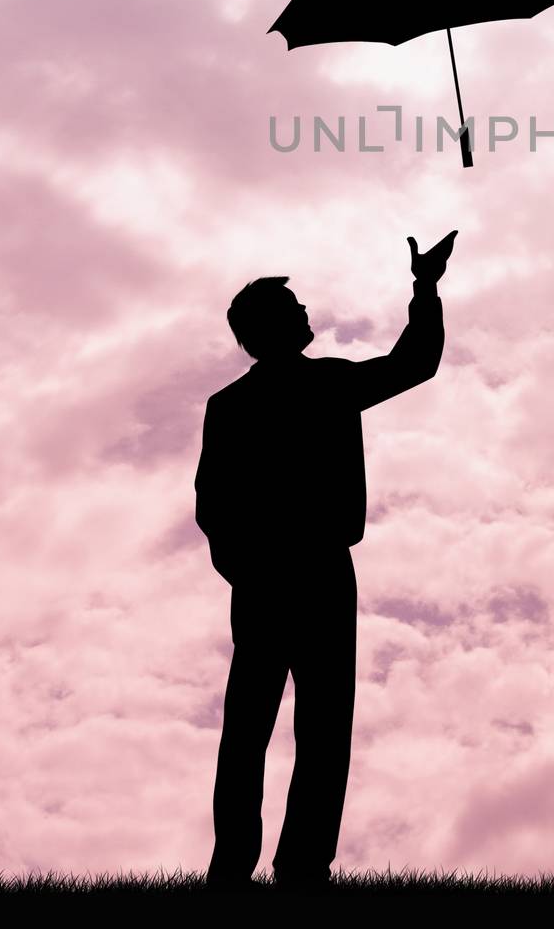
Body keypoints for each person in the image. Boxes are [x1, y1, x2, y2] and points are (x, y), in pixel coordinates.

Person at [195, 229, 456, 894]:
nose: (306, 315)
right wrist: (424, 290)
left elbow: (211, 506)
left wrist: (425, 290)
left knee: (282, 724)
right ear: (266, 330)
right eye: (293, 310)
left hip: (290, 572)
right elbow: (214, 501)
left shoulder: (256, 399)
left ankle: (269, 867)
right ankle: (277, 868)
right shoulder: (287, 394)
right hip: (293, 572)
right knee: (290, 725)